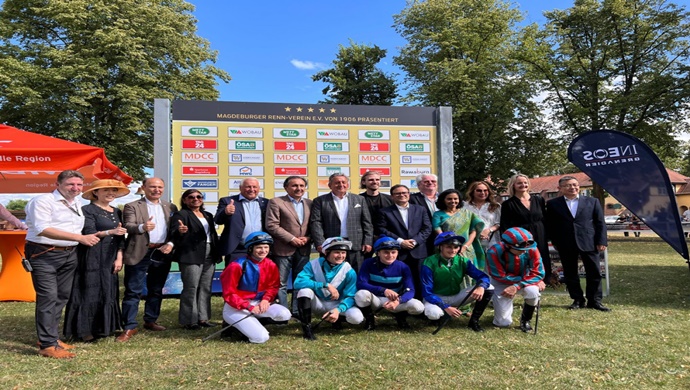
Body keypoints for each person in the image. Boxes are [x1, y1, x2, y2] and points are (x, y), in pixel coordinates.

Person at [24, 170, 100, 359]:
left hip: (69, 254)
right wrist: (80, 238)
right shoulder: (42, 201)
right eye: (70, 184)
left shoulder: (77, 202)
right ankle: (47, 346)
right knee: (48, 297)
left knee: (61, 297)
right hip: (44, 253)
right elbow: (43, 229)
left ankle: (51, 338)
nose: (75, 188)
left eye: (79, 185)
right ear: (58, 184)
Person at [63, 179, 129, 342]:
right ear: (95, 192)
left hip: (110, 256)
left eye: (113, 190)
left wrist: (119, 257)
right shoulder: (87, 210)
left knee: (107, 290)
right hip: (91, 254)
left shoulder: (116, 211)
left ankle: (103, 327)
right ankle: (85, 331)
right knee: (89, 290)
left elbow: (121, 238)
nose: (110, 193)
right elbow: (89, 232)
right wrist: (110, 231)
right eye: (106, 190)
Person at [118, 177, 178, 342]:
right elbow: (128, 225)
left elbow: (174, 230)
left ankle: (151, 320)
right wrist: (142, 227)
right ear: (144, 187)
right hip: (140, 252)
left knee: (156, 290)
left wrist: (171, 243)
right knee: (133, 291)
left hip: (162, 252)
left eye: (160, 187)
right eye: (152, 187)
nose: (156, 190)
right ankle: (129, 326)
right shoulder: (132, 206)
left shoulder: (170, 206)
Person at [546, 176, 610, 311]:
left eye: (575, 185)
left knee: (594, 272)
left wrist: (601, 240)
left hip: (589, 242)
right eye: (568, 185)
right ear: (560, 188)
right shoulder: (553, 204)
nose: (573, 188)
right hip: (565, 243)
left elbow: (600, 223)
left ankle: (594, 301)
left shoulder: (592, 201)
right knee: (570, 273)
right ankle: (577, 299)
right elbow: (551, 225)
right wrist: (555, 241)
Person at [219, 232, 291, 343]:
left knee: (284, 314)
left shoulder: (271, 264)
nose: (263, 251)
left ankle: (255, 321)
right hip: (237, 307)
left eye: (266, 247)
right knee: (261, 338)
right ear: (251, 248)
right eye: (259, 247)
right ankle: (237, 327)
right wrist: (248, 306)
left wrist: (266, 300)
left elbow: (273, 286)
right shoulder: (236, 266)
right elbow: (229, 293)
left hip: (258, 303)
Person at [420, 232, 494, 332]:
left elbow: (482, 276)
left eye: (456, 247)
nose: (453, 250)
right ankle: (438, 317)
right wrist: (445, 307)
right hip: (435, 297)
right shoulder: (429, 262)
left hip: (456, 296)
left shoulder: (463, 261)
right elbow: (427, 292)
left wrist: (481, 287)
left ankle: (474, 321)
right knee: (434, 313)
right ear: (440, 247)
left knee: (489, 288)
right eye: (449, 247)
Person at [169, 189, 221, 330]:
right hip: (190, 254)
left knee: (205, 287)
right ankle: (189, 321)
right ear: (185, 200)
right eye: (191, 197)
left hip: (210, 252)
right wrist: (180, 231)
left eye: (199, 196)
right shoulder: (181, 214)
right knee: (191, 287)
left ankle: (203, 318)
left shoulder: (208, 215)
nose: (195, 199)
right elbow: (173, 233)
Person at [294, 237, 363, 340]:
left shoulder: (349, 270)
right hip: (319, 304)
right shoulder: (313, 264)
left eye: (343, 252)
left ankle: (337, 319)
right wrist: (325, 285)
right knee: (304, 291)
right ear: (326, 252)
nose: (341, 256)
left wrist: (338, 310)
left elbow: (351, 295)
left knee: (357, 318)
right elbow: (298, 282)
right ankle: (307, 329)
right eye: (336, 252)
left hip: (337, 304)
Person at [265, 176, 312, 314]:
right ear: (286, 188)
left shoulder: (310, 203)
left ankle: (298, 312)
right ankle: (283, 312)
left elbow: (314, 225)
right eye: (294, 185)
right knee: (281, 283)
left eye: (302, 186)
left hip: (303, 249)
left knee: (301, 282)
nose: (299, 188)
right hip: (283, 249)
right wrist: (291, 238)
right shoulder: (276, 202)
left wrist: (308, 238)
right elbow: (272, 225)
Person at [355, 237, 424, 330]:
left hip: (394, 299)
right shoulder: (368, 263)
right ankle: (369, 319)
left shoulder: (403, 267)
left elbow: (410, 290)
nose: (390, 255)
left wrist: (398, 301)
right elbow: (361, 284)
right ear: (378, 253)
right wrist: (383, 290)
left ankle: (401, 317)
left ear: (397, 253)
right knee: (361, 294)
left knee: (418, 307)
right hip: (376, 299)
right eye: (386, 252)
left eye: (393, 252)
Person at [377, 184, 431, 299]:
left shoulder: (420, 209)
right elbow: (382, 229)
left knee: (419, 278)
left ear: (409, 194)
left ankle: (420, 304)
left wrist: (415, 241)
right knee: (400, 278)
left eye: (404, 193)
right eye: (398, 193)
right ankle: (401, 305)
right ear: (392, 196)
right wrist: (400, 242)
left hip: (418, 250)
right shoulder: (385, 212)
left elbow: (427, 228)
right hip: (397, 251)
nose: (402, 195)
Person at [310, 173, 373, 270]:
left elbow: (367, 222)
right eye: (337, 182)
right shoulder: (320, 201)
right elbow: (316, 223)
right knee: (330, 274)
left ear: (347, 184)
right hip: (330, 244)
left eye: (344, 182)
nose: (341, 185)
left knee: (356, 274)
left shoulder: (359, 199)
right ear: (329, 185)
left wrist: (368, 241)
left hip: (356, 244)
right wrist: (320, 243)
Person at [486, 227, 545, 332]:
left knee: (533, 291)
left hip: (523, 282)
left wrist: (518, 285)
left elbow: (538, 272)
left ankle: (526, 320)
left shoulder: (532, 248)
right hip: (502, 282)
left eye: (527, 248)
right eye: (520, 249)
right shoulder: (493, 252)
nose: (524, 251)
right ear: (508, 245)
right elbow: (499, 275)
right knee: (503, 323)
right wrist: (533, 279)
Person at [500, 174, 552, 285]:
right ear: (513, 185)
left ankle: (542, 282)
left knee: (541, 258)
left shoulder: (539, 200)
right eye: (519, 183)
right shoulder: (508, 204)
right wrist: (508, 242)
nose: (523, 185)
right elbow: (505, 224)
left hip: (540, 234)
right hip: (521, 237)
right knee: (523, 259)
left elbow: (545, 219)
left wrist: (548, 235)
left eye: (525, 182)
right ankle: (524, 283)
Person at [215, 177, 269, 266]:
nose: (252, 190)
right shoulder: (227, 201)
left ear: (259, 189)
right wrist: (225, 212)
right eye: (248, 187)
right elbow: (218, 220)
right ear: (240, 188)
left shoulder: (266, 203)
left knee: (258, 277)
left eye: (254, 187)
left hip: (260, 248)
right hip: (237, 248)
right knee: (234, 277)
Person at [432, 189, 485, 270]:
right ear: (443, 200)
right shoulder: (438, 214)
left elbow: (473, 231)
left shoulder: (467, 213)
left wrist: (465, 246)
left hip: (466, 249)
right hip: (447, 249)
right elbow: (437, 228)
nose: (453, 201)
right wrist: (451, 247)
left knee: (469, 273)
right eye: (449, 199)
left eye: (455, 199)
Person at [465, 181, 501, 252]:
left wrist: (488, 230)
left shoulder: (495, 206)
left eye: (485, 190)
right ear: (472, 192)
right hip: (471, 241)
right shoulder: (465, 206)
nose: (483, 193)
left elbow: (499, 223)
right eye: (479, 190)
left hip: (491, 241)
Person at [409, 173, 439, 256]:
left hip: (443, 236)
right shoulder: (411, 199)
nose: (430, 183)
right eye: (426, 181)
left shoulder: (444, 198)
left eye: (433, 181)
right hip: (423, 239)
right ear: (419, 185)